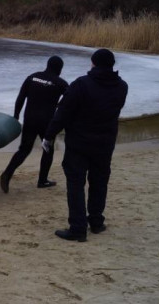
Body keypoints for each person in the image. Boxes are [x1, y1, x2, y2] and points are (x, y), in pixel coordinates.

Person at [43, 48, 128, 242]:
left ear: (94, 63)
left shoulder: (81, 84)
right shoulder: (122, 86)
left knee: (76, 184)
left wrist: (49, 135)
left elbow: (63, 112)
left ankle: (78, 228)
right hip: (105, 144)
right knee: (99, 182)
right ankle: (96, 222)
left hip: (79, 144)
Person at [0, 55, 68, 193]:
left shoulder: (32, 77)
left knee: (24, 149)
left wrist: (16, 116)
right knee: (48, 149)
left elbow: (21, 97)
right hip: (47, 123)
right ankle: (42, 180)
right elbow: (71, 99)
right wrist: (58, 106)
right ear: (60, 69)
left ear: (47, 65)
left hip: (30, 119)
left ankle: (7, 173)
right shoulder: (60, 83)